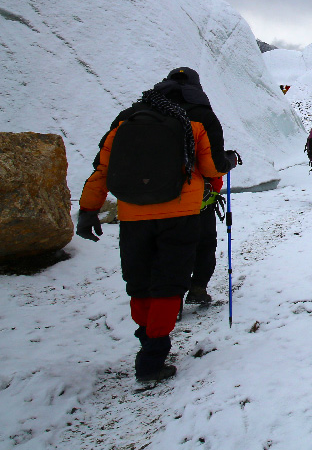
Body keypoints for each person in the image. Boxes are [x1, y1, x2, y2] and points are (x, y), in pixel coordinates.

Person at [75, 67, 240, 383]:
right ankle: (153, 355)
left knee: (139, 281)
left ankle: (147, 337)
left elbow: (103, 169)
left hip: (134, 214)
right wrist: (228, 161)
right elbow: (210, 167)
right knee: (169, 282)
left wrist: (88, 209)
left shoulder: (128, 118)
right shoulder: (197, 119)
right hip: (180, 213)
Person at [184, 175, 224, 304]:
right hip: (201, 205)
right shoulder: (198, 153)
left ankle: (172, 299)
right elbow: (212, 167)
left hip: (163, 206)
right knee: (205, 248)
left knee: (173, 251)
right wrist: (228, 161)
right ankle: (197, 289)